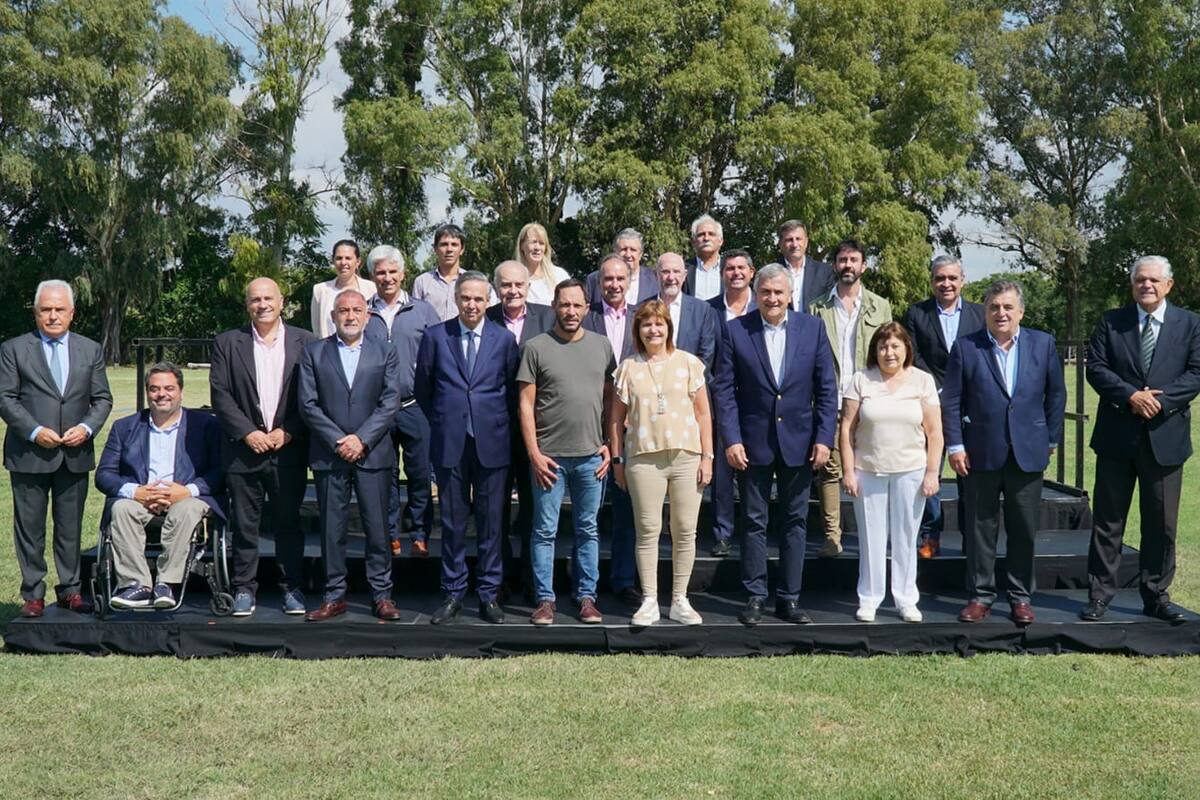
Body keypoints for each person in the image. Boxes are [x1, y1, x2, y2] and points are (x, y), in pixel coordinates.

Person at [712, 264, 838, 625]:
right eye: (765, 292)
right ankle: (755, 597)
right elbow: (724, 391)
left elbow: (827, 389)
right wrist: (731, 439)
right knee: (753, 522)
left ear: (789, 295)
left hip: (800, 444)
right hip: (752, 445)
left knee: (795, 522)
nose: (772, 298)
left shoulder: (812, 329)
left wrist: (824, 438)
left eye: (778, 293)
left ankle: (790, 599)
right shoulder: (736, 331)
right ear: (756, 293)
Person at [1082, 256, 1200, 623]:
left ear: (1168, 285)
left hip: (1165, 439)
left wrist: (1157, 402)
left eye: (1153, 280)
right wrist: (1131, 396)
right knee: (1108, 521)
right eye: (1139, 280)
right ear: (1132, 285)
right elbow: (1096, 368)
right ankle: (1100, 595)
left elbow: (1197, 373)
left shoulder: (1191, 324)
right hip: (1118, 438)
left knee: (1161, 525)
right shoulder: (1111, 322)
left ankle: (1157, 596)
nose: (1146, 285)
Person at [942, 280, 1066, 625]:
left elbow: (1056, 394)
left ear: (1021, 312)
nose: (1001, 313)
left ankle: (1020, 597)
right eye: (994, 307)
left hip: (1027, 452)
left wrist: (1051, 438)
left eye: (1008, 307)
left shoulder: (1043, 344)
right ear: (985, 311)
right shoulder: (966, 348)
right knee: (980, 528)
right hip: (979, 453)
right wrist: (955, 444)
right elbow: (951, 400)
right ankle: (980, 595)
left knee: (1023, 528)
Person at [0, 280, 112, 617]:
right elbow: (5, 397)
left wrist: (87, 428)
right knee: (30, 528)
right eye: (45, 310)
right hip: (29, 453)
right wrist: (35, 431)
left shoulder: (90, 349)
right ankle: (33, 594)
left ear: (72, 313)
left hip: (74, 454)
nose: (52, 316)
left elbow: (102, 398)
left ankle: (71, 591)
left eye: (59, 309)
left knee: (70, 528)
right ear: (35, 313)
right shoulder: (14, 349)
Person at [414, 271, 519, 624]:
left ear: (488, 301)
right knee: (454, 524)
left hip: (492, 443)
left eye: (478, 299)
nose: (472, 304)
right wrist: (448, 419)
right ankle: (453, 593)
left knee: (491, 525)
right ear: (456, 299)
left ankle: (489, 595)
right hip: (450, 443)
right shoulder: (435, 337)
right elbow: (424, 391)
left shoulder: (503, 340)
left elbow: (510, 392)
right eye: (466, 298)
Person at [209, 277, 316, 616]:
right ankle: (244, 589)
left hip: (289, 450)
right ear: (247, 305)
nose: (262, 304)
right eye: (255, 299)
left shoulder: (307, 342)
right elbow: (220, 395)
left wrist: (289, 431)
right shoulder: (227, 342)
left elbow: (312, 397)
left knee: (289, 523)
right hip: (244, 452)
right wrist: (247, 433)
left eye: (268, 298)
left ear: (282, 302)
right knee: (245, 524)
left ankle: (292, 589)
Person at [298, 288, 402, 621]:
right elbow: (308, 404)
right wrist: (339, 440)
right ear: (333, 316)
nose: (350, 316)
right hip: (331, 455)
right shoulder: (314, 353)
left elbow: (390, 402)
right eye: (343, 310)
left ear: (367, 315)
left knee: (377, 529)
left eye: (357, 310)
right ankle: (334, 595)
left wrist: (362, 439)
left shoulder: (385, 351)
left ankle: (382, 595)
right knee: (332, 530)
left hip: (373, 455)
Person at [609, 301, 714, 626]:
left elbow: (703, 414)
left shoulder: (689, 363)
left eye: (659, 324)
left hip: (686, 456)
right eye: (646, 325)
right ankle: (650, 600)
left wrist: (707, 457)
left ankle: (680, 600)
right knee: (647, 531)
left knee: (684, 531)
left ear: (669, 327)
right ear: (638, 330)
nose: (653, 330)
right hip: (642, 459)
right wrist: (617, 461)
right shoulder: (628, 368)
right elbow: (615, 420)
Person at [518, 279, 614, 625]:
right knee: (545, 531)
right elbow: (525, 405)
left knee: (588, 529)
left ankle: (586, 597)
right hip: (549, 459)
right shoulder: (535, 347)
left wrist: (608, 444)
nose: (571, 311)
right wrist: (533, 453)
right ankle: (545, 599)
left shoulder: (602, 347)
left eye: (577, 305)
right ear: (554, 307)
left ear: (587, 308)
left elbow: (609, 399)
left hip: (591, 457)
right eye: (565, 305)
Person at [95, 363, 224, 609]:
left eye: (168, 388)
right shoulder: (125, 427)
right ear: (147, 393)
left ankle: (167, 583)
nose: (161, 394)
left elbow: (221, 472)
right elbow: (104, 475)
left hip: (187, 497)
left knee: (185, 509)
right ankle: (137, 585)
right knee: (122, 508)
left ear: (181, 391)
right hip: (141, 498)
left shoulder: (206, 425)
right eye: (154, 389)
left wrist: (187, 491)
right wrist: (137, 492)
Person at [839, 324, 942, 623]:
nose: (889, 352)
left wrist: (933, 471)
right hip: (868, 470)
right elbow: (846, 428)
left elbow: (935, 431)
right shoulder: (861, 380)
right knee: (871, 538)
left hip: (911, 470)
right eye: (883, 347)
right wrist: (848, 470)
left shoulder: (922, 381)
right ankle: (869, 598)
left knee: (906, 538)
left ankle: (906, 599)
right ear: (875, 350)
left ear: (907, 348)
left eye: (896, 346)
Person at [808, 240, 892, 557]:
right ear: (834, 265)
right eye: (842, 259)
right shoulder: (817, 307)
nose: (848, 265)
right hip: (829, 399)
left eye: (853, 260)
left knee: (869, 467)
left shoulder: (880, 307)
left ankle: (873, 535)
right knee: (830, 469)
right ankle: (832, 536)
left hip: (868, 399)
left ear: (863, 266)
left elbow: (888, 353)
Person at [901, 255, 985, 557]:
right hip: (928, 401)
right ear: (932, 280)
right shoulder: (916, 313)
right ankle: (930, 535)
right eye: (940, 278)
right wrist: (935, 389)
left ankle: (970, 540)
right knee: (928, 468)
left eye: (952, 278)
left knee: (968, 473)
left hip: (971, 405)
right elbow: (912, 353)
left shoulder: (980, 314)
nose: (946, 284)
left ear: (962, 280)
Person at [362, 245, 441, 558]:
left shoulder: (422, 311)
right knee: (386, 474)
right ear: (372, 276)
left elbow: (439, 355)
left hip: (415, 405)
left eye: (393, 271)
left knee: (421, 473)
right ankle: (391, 532)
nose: (387, 277)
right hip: (377, 409)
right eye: (381, 272)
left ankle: (420, 532)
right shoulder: (364, 311)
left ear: (403, 274)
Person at [487, 260, 556, 595]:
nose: (512, 291)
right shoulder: (484, 317)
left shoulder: (548, 317)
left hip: (540, 429)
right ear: (496, 287)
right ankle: (498, 580)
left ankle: (533, 580)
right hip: (495, 429)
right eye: (505, 285)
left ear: (529, 286)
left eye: (518, 285)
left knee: (534, 507)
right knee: (495, 508)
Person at [581, 254, 638, 603]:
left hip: (632, 427)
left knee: (626, 511)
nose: (614, 285)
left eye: (620, 278)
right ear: (599, 283)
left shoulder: (642, 318)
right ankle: (585, 584)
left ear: (629, 281)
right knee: (586, 513)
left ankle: (623, 579)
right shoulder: (585, 319)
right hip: (588, 423)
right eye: (607, 279)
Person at [705, 249, 756, 557]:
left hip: (757, 401)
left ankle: (752, 532)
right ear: (722, 274)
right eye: (729, 268)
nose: (735, 273)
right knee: (723, 472)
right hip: (720, 397)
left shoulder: (765, 304)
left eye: (741, 268)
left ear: (752, 272)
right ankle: (722, 533)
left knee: (753, 469)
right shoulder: (708, 310)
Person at [412, 223, 498, 321]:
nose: (449, 249)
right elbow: (417, 317)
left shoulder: (475, 282)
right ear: (435, 249)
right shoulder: (422, 282)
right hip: (432, 336)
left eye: (454, 245)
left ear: (462, 249)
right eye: (444, 244)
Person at [654, 253, 720, 378]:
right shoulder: (642, 309)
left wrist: (681, 381)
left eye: (676, 272)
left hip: (690, 386)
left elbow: (706, 356)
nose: (671, 277)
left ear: (684, 276)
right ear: (656, 275)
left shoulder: (702, 310)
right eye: (665, 272)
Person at [309, 239, 377, 337]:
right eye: (339, 258)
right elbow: (317, 330)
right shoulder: (320, 291)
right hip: (329, 350)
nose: (343, 262)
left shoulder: (372, 289)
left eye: (348, 258)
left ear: (358, 262)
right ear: (333, 261)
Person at [584, 228, 659, 305]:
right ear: (615, 251)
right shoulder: (593, 279)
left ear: (640, 254)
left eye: (633, 250)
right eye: (623, 249)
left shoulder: (655, 279)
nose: (628, 254)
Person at [777, 220, 833, 313]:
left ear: (806, 242)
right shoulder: (770, 273)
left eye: (798, 239)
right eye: (789, 240)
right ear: (780, 244)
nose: (795, 244)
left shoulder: (825, 272)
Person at [516, 222, 571, 306]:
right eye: (533, 242)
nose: (537, 248)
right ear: (521, 246)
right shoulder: (514, 278)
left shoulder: (559, 275)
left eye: (541, 243)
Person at [683, 214, 724, 300]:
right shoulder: (683, 268)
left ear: (720, 241)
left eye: (711, 234)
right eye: (701, 234)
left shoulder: (730, 268)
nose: (706, 238)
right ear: (693, 241)